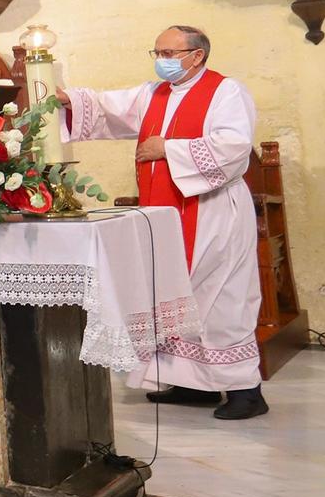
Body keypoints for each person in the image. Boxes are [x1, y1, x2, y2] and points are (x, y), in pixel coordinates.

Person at [59, 25, 267, 419]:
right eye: (156, 53)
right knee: (175, 295)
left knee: (221, 300)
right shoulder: (154, 93)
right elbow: (109, 107)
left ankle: (247, 391)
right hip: (166, 214)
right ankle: (193, 385)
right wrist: (68, 98)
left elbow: (235, 146)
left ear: (197, 55)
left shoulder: (226, 92)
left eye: (169, 53)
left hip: (214, 211)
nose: (162, 61)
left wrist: (167, 148)